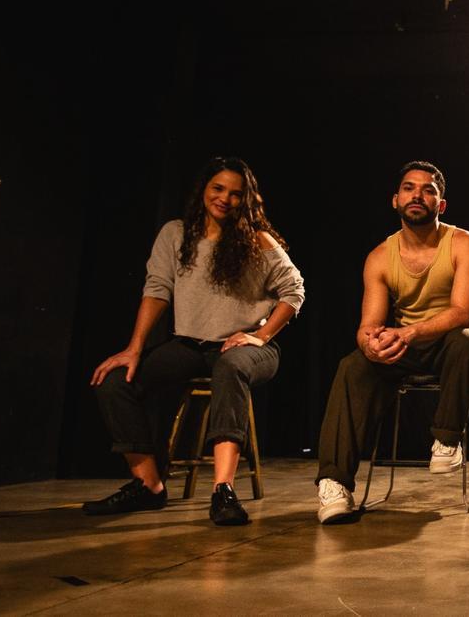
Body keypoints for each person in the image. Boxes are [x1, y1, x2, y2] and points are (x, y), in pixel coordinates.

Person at [86, 156, 305, 526]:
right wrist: (134, 347)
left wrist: (261, 335)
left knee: (231, 367)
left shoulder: (258, 240)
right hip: (190, 346)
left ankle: (223, 491)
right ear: (203, 189)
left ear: (246, 200)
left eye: (236, 194)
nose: (225, 199)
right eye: (218, 189)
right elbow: (157, 290)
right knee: (113, 382)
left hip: (250, 350)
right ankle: (148, 484)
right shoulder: (176, 233)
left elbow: (294, 291)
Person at [314, 161, 469, 524]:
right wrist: (370, 345)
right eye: (409, 188)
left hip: (448, 344)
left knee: (468, 340)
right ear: (395, 200)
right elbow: (369, 326)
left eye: (428, 190)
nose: (417, 195)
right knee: (352, 366)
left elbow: (461, 311)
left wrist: (408, 332)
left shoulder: (464, 243)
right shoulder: (379, 256)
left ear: (441, 205)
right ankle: (335, 482)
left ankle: (446, 440)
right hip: (405, 348)